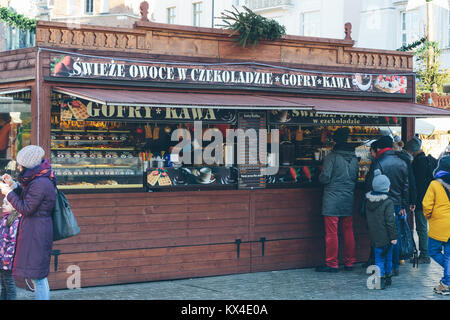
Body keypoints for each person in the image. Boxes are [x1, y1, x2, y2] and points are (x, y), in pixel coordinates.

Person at [0, 145, 56, 300]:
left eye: (19, 164)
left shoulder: (40, 183)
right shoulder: (39, 179)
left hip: (37, 232)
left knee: (38, 277)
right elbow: (29, 195)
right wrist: (14, 185)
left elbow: (26, 208)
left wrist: (9, 193)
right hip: (35, 230)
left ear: (27, 165)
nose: (18, 167)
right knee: (37, 275)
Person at [316, 127, 359, 272]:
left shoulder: (331, 157)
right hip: (348, 196)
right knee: (348, 230)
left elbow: (325, 178)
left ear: (335, 141)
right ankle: (350, 262)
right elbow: (355, 178)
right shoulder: (354, 158)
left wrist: (319, 173)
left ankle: (332, 263)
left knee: (331, 232)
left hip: (332, 198)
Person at [365, 135, 409, 276]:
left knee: (381, 236)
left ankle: (381, 267)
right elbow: (406, 186)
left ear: (379, 148)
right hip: (396, 204)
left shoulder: (378, 162)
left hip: (381, 202)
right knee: (394, 235)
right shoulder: (402, 162)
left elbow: (370, 184)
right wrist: (404, 205)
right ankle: (394, 266)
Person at [405, 136, 436, 264]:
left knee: (422, 228)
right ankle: (425, 252)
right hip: (430, 199)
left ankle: (425, 254)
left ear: (412, 150)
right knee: (424, 227)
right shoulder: (429, 160)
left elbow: (416, 185)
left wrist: (413, 201)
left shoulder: (418, 163)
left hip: (422, 201)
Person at [365, 169, 398, 289]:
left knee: (378, 258)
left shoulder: (368, 201)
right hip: (387, 237)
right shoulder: (388, 202)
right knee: (388, 258)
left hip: (375, 236)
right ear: (386, 188)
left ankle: (380, 280)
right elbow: (390, 221)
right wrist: (394, 237)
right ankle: (387, 277)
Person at [422, 155, 450, 295]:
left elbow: (426, 205)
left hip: (440, 225)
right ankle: (447, 280)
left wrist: (429, 217)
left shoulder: (435, 184)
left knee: (433, 250)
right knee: (449, 255)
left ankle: (447, 283)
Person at [0, 197, 20, 300]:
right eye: (3, 203)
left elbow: (13, 241)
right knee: (3, 285)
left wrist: (7, 258)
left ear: (14, 207)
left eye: (6, 204)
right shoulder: (4, 219)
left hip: (7, 260)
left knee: (9, 284)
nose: (3, 205)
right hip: (2, 258)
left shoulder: (14, 221)